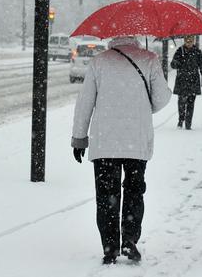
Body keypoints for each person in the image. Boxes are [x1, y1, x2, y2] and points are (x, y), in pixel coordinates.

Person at [71, 36, 171, 265]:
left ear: (113, 37)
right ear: (135, 37)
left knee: (107, 196)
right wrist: (145, 106)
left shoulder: (99, 62)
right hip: (135, 140)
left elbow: (85, 101)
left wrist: (79, 138)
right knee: (134, 191)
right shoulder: (149, 59)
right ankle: (129, 240)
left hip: (105, 142)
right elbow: (162, 97)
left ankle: (110, 247)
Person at [170, 35, 202, 130]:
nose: (189, 43)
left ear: (193, 41)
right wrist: (176, 63)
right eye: (187, 41)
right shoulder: (180, 51)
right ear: (184, 41)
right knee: (181, 103)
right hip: (182, 80)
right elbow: (173, 64)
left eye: (190, 41)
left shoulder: (197, 52)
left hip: (193, 81)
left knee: (191, 103)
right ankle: (181, 119)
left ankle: (188, 123)